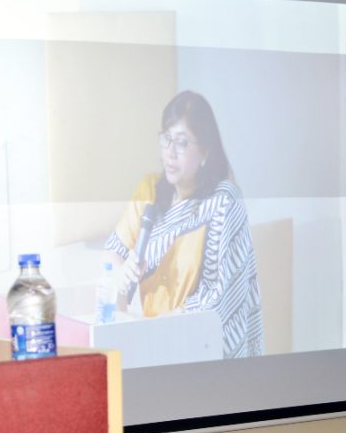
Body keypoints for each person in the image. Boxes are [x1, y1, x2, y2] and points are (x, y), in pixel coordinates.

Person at [104, 91, 263, 358]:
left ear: (205, 151)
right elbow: (113, 252)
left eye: (182, 142)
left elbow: (217, 296)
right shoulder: (149, 190)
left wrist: (160, 326)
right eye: (166, 139)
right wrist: (121, 274)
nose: (170, 152)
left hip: (201, 346)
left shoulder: (224, 201)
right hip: (155, 344)